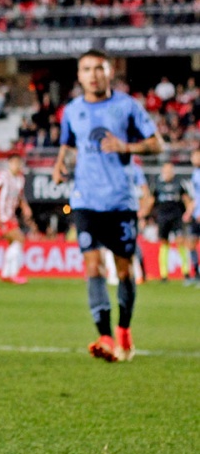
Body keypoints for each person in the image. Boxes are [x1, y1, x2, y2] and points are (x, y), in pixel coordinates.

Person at [52, 50, 162, 362]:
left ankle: (124, 329)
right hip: (85, 200)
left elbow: (157, 143)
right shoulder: (72, 110)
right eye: (86, 69)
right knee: (92, 266)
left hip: (119, 201)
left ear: (109, 72)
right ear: (79, 75)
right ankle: (104, 336)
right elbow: (68, 144)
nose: (93, 75)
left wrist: (126, 146)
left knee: (125, 271)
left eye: (98, 68)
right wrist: (60, 165)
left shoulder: (127, 106)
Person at [0, 153, 33, 284]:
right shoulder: (1, 177)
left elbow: (20, 196)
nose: (18, 166)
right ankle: (13, 274)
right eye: (15, 163)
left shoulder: (20, 179)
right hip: (0, 216)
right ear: (9, 164)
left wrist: (25, 207)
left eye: (20, 163)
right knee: (20, 239)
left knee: (14, 244)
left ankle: (6, 274)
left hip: (10, 216)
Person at [148, 160, 191, 283]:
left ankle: (186, 272)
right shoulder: (157, 184)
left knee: (180, 241)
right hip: (162, 217)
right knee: (164, 243)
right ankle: (164, 275)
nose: (168, 173)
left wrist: (188, 213)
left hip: (176, 216)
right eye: (166, 170)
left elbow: (186, 198)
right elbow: (151, 200)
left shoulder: (179, 183)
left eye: (170, 170)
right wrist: (146, 216)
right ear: (163, 171)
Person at [183, 148, 200, 285]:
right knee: (191, 244)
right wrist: (189, 211)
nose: (193, 159)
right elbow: (196, 197)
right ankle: (196, 273)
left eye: (196, 156)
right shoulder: (195, 173)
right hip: (196, 214)